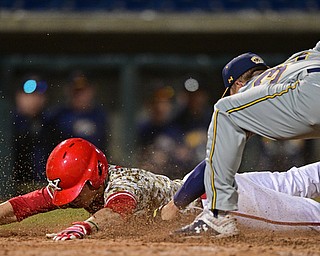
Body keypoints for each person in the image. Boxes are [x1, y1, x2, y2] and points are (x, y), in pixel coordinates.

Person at [174, 41, 320, 237]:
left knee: (224, 110)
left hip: (312, 95)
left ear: (237, 84)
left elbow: (212, 164)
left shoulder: (249, 89)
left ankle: (218, 216)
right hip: (310, 84)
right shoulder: (301, 61)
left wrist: (175, 204)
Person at [0, 138, 183, 240]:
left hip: (201, 204)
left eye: (74, 191)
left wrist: (84, 227)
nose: (70, 198)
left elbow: (117, 211)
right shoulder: (86, 188)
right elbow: (21, 205)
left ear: (96, 176)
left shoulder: (126, 182)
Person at [161, 160, 320, 234]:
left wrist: (175, 205)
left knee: (311, 212)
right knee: (297, 181)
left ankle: (216, 218)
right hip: (225, 187)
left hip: (217, 198)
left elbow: (211, 168)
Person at [47, 72, 109, 151]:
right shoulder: (58, 116)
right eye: (76, 91)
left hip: (93, 160)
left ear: (91, 90)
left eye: (83, 91)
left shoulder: (100, 115)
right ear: (68, 91)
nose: (80, 95)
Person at [11, 76, 51, 195]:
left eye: (38, 95)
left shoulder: (51, 123)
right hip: (12, 190)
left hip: (44, 189)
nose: (34, 99)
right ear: (19, 97)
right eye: (29, 95)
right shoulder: (8, 123)